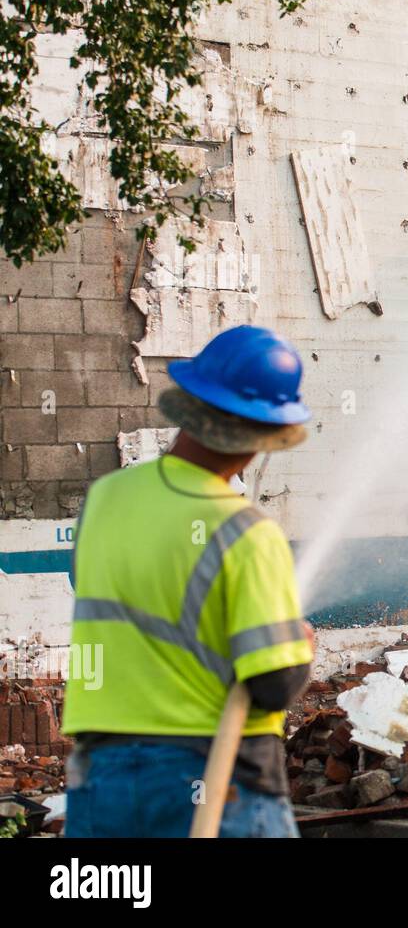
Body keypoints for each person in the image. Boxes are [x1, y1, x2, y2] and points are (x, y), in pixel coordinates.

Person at [62, 325, 315, 837]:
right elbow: (271, 683)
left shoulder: (106, 499)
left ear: (188, 406)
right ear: (264, 437)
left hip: (103, 776)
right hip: (214, 777)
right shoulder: (246, 533)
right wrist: (297, 647)